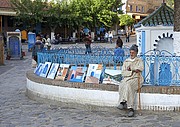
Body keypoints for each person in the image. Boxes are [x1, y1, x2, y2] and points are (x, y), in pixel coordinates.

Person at [117, 44, 144, 117]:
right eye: (130, 52)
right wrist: (131, 71)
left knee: (129, 86)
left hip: (136, 78)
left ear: (136, 53)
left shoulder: (139, 60)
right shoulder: (126, 61)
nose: (131, 54)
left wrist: (131, 68)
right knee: (122, 84)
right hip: (127, 78)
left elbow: (140, 68)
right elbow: (123, 72)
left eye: (133, 53)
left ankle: (130, 108)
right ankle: (123, 102)